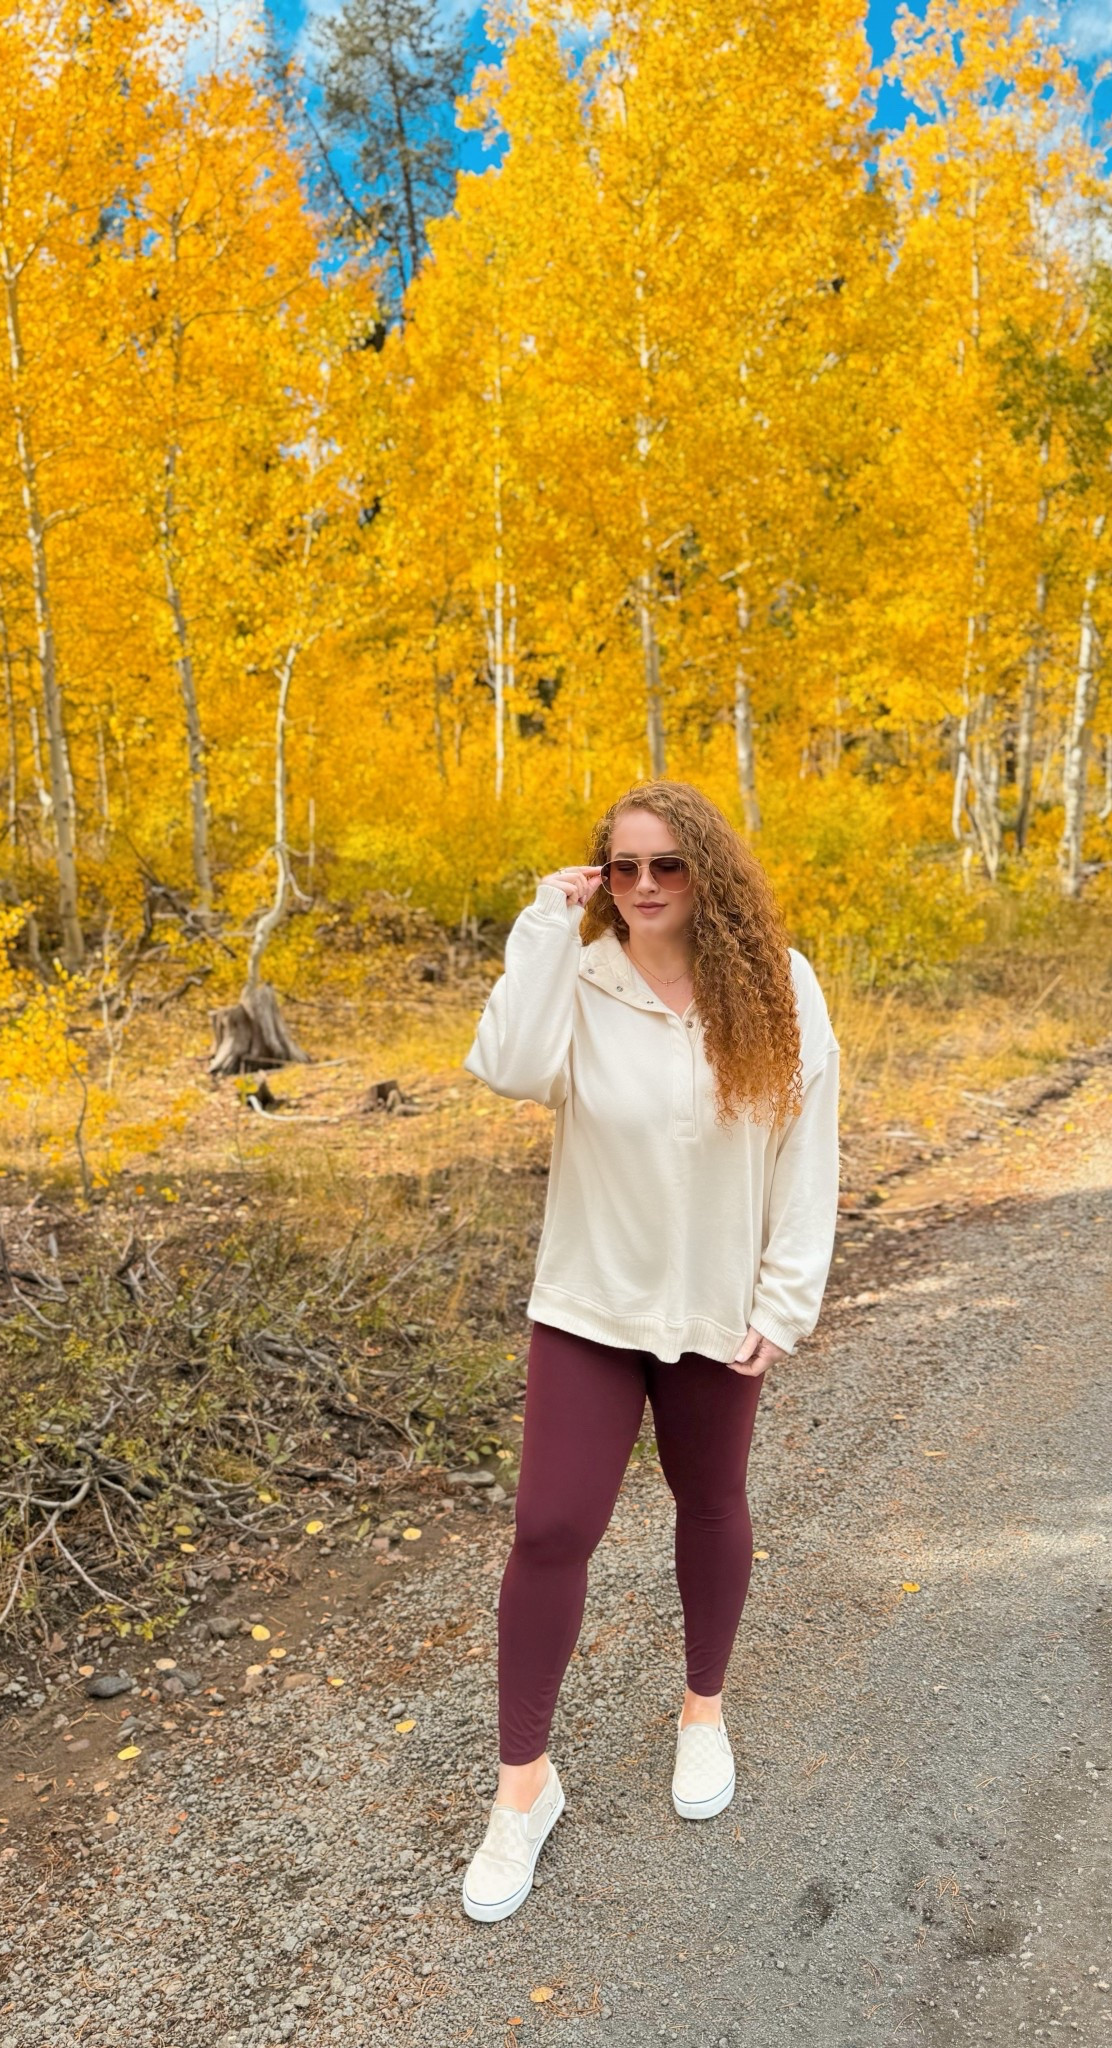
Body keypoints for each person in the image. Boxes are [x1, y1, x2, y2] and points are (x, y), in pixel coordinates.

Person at [457, 779, 841, 1923]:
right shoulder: (578, 979)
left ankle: (702, 1710)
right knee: (550, 1525)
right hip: (590, 1302)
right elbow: (509, 1068)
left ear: (708, 872)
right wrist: (540, 920)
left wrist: (786, 1295)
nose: (642, 887)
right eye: (621, 866)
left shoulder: (778, 983)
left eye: (666, 865)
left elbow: (808, 1139)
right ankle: (524, 1785)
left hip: (719, 1309)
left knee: (711, 1500)